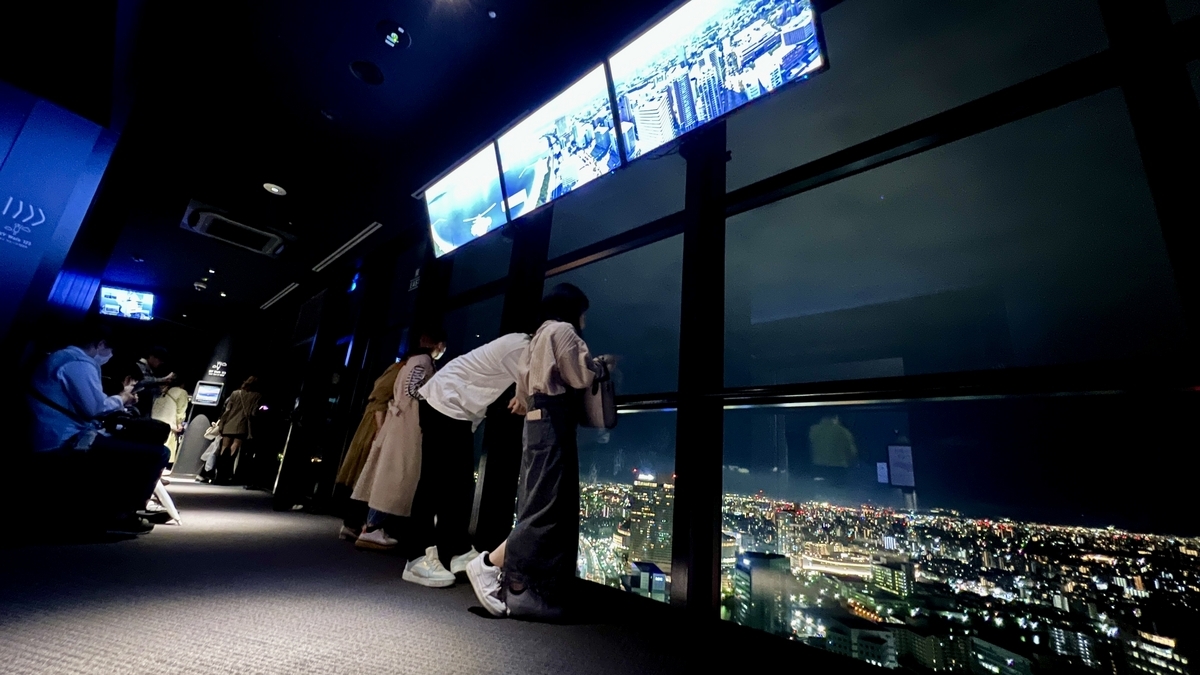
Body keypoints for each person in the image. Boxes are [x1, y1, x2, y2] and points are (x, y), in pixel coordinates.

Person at [466, 284, 610, 619]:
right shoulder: (564, 332)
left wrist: (525, 397)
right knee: (547, 507)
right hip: (553, 421)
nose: (585, 318)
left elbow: (522, 387)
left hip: (534, 422)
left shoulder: (537, 337)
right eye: (583, 311)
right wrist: (601, 366)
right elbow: (580, 376)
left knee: (536, 501)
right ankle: (488, 564)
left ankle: (520, 586)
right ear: (573, 309)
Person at [400, 331, 531, 588]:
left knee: (459, 486)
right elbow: (536, 385)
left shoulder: (522, 346)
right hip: (444, 403)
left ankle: (457, 551)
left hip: (455, 409)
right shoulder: (522, 347)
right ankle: (416, 558)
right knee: (434, 482)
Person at [26, 321, 170, 535]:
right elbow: (94, 408)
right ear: (100, 343)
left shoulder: (60, 357)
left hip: (50, 435)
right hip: (62, 440)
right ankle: (121, 514)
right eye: (110, 350)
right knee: (158, 452)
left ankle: (113, 510)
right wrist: (122, 398)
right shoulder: (78, 362)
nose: (109, 355)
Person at [349, 327, 446, 552]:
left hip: (398, 423)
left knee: (387, 475)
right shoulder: (423, 361)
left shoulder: (410, 361)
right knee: (394, 478)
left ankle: (372, 526)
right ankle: (373, 528)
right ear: (438, 344)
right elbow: (414, 390)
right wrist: (436, 394)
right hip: (408, 425)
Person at [334, 360, 404, 539]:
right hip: (376, 428)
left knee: (366, 476)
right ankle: (355, 524)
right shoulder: (398, 370)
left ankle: (354, 524)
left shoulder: (397, 369)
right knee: (367, 476)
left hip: (376, 426)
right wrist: (380, 430)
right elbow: (379, 397)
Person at [213, 376, 262, 485]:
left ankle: (218, 476)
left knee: (223, 450)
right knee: (233, 451)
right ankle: (227, 476)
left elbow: (227, 410)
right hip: (242, 426)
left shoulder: (235, 393)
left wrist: (221, 424)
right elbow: (254, 413)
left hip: (228, 424)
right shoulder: (257, 396)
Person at [152, 384, 190, 465]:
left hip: (154, 421)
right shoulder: (181, 392)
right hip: (168, 424)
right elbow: (180, 410)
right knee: (166, 448)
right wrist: (179, 423)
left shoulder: (162, 390)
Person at [133, 347, 175, 418]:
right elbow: (141, 381)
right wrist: (162, 379)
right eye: (159, 359)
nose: (161, 363)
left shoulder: (149, 369)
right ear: (151, 356)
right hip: (137, 405)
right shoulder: (139, 366)